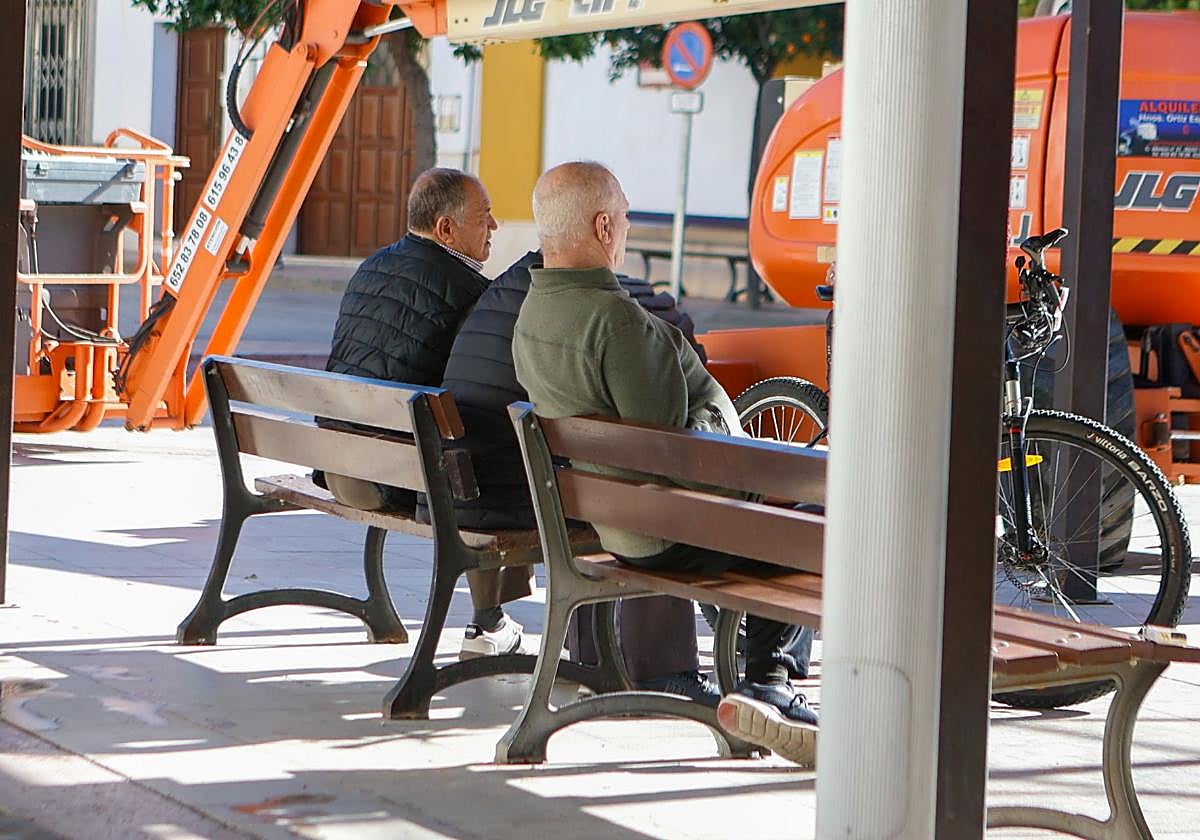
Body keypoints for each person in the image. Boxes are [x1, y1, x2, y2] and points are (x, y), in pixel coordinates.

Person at [511, 161, 819, 766]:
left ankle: (763, 674)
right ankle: (770, 681)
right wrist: (715, 416)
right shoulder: (619, 322)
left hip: (612, 524)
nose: (627, 226)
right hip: (665, 533)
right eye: (623, 215)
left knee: (783, 522)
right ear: (602, 227)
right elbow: (682, 462)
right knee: (813, 527)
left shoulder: (533, 315)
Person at [423, 248, 719, 702]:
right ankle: (677, 670)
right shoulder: (599, 304)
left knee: (588, 479)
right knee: (639, 493)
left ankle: (586, 656)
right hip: (511, 494)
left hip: (458, 484)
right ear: (601, 230)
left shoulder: (506, 294)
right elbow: (663, 399)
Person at [320, 167, 525, 660]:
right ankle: (488, 623)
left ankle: (490, 620)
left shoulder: (371, 266)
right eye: (485, 216)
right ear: (446, 230)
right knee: (503, 458)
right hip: (401, 474)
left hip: (340, 462)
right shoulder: (474, 294)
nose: (494, 227)